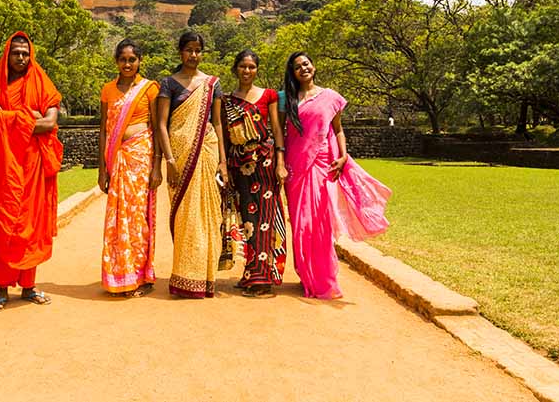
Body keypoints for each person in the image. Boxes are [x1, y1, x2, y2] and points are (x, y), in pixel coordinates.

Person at [281, 52, 391, 299]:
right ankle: (306, 274)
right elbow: (284, 135)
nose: (303, 68)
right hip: (295, 168)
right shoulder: (287, 100)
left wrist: (343, 156)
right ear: (293, 73)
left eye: (306, 63)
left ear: (314, 66)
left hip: (322, 166)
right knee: (300, 226)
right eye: (297, 67)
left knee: (319, 225)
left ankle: (323, 279)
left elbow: (338, 129)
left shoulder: (330, 97)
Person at [0, 32, 63, 311]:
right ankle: (2, 288)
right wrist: (29, 116)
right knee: (6, 223)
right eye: (16, 53)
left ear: (31, 54)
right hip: (5, 166)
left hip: (34, 165)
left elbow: (50, 124)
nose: (21, 58)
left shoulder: (41, 81)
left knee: (32, 225)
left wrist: (9, 115)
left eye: (25, 53)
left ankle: (28, 285)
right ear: (7, 55)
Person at [155, 31, 228, 298]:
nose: (194, 55)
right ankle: (184, 275)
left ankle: (205, 277)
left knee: (208, 215)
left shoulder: (212, 84)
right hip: (179, 156)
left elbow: (218, 123)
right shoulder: (168, 84)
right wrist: (170, 160)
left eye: (198, 50)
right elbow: (161, 125)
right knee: (185, 217)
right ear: (180, 52)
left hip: (206, 154)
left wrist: (222, 161)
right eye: (189, 50)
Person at [98, 39, 162, 297]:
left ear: (139, 62)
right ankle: (120, 273)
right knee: (117, 218)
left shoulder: (149, 89)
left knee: (138, 218)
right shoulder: (107, 90)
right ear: (116, 61)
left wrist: (156, 166)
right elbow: (103, 129)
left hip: (141, 157)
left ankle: (141, 276)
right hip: (117, 158)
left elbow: (157, 128)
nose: (127, 64)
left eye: (132, 59)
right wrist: (102, 169)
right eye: (123, 59)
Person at [222, 50, 288, 297]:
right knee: (246, 220)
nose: (247, 71)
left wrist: (280, 162)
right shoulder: (227, 100)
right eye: (242, 66)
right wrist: (225, 167)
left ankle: (262, 279)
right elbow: (226, 137)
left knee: (266, 219)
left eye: (251, 67)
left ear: (256, 69)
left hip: (265, 163)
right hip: (240, 165)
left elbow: (276, 130)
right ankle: (251, 271)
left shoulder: (268, 95)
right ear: (235, 68)